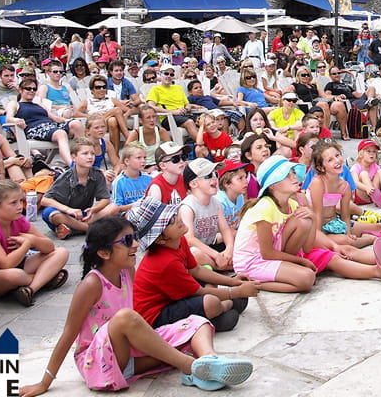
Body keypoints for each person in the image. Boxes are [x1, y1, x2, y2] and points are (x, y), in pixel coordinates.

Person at [19, 215, 253, 396]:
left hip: (129, 356)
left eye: (134, 238)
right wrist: (45, 382)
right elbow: (69, 334)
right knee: (124, 317)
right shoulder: (91, 284)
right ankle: (192, 365)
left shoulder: (126, 271)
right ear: (103, 252)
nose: (135, 246)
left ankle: (206, 365)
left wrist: (154, 338)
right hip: (100, 361)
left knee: (196, 322)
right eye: (127, 241)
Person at [231, 154, 381, 292]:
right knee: (306, 278)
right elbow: (267, 253)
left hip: (278, 251)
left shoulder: (292, 204)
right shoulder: (265, 206)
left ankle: (378, 270)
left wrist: (312, 218)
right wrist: (301, 261)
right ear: (273, 185)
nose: (295, 177)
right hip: (252, 261)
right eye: (288, 175)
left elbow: (308, 246)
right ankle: (254, 283)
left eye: (293, 173)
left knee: (323, 247)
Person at [131, 195, 257, 336]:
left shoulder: (179, 240)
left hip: (175, 295)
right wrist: (235, 292)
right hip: (157, 315)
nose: (178, 218)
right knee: (211, 302)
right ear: (160, 239)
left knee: (207, 276)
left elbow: (196, 269)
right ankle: (223, 307)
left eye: (174, 214)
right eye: (171, 221)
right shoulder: (165, 262)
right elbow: (198, 292)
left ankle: (215, 313)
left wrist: (232, 282)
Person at [0, 180, 70, 306]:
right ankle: (46, 278)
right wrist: (26, 245)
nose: (20, 206)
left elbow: (49, 247)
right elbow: (5, 264)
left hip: (17, 264)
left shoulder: (18, 219)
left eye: (21, 201)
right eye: (13, 203)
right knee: (15, 275)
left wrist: (32, 240)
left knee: (61, 252)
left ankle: (31, 289)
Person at [41, 139, 118, 239]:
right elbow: (45, 200)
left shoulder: (97, 174)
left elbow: (105, 199)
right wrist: (68, 210)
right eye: (85, 154)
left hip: (84, 215)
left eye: (92, 154)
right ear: (74, 157)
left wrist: (94, 209)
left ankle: (71, 229)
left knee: (114, 207)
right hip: (66, 214)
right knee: (51, 214)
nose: (90, 157)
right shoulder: (66, 177)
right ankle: (90, 229)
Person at [7, 77, 78, 166]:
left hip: (50, 127)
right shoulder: (15, 104)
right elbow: (8, 118)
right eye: (28, 88)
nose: (31, 91)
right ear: (20, 90)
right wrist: (16, 120)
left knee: (76, 124)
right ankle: (73, 165)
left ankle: (83, 159)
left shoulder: (38, 104)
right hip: (34, 130)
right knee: (61, 133)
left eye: (34, 89)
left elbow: (55, 118)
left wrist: (69, 120)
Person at [178, 159, 236, 270]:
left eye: (215, 174)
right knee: (195, 254)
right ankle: (223, 266)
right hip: (194, 250)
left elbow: (225, 230)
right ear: (193, 183)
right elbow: (189, 239)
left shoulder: (215, 202)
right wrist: (216, 255)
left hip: (211, 246)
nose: (214, 178)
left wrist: (229, 249)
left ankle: (223, 264)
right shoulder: (187, 206)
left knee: (235, 235)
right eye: (208, 175)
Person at [351, 140, 381, 208]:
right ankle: (375, 196)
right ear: (361, 153)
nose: (372, 154)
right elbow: (355, 182)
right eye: (368, 151)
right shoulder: (356, 167)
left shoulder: (374, 166)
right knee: (364, 174)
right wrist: (366, 188)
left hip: (373, 193)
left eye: (374, 152)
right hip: (361, 195)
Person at [111, 145, 153, 213]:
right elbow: (117, 207)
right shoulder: (118, 182)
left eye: (144, 158)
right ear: (127, 161)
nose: (143, 161)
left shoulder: (149, 178)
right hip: (127, 214)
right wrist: (137, 205)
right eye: (138, 158)